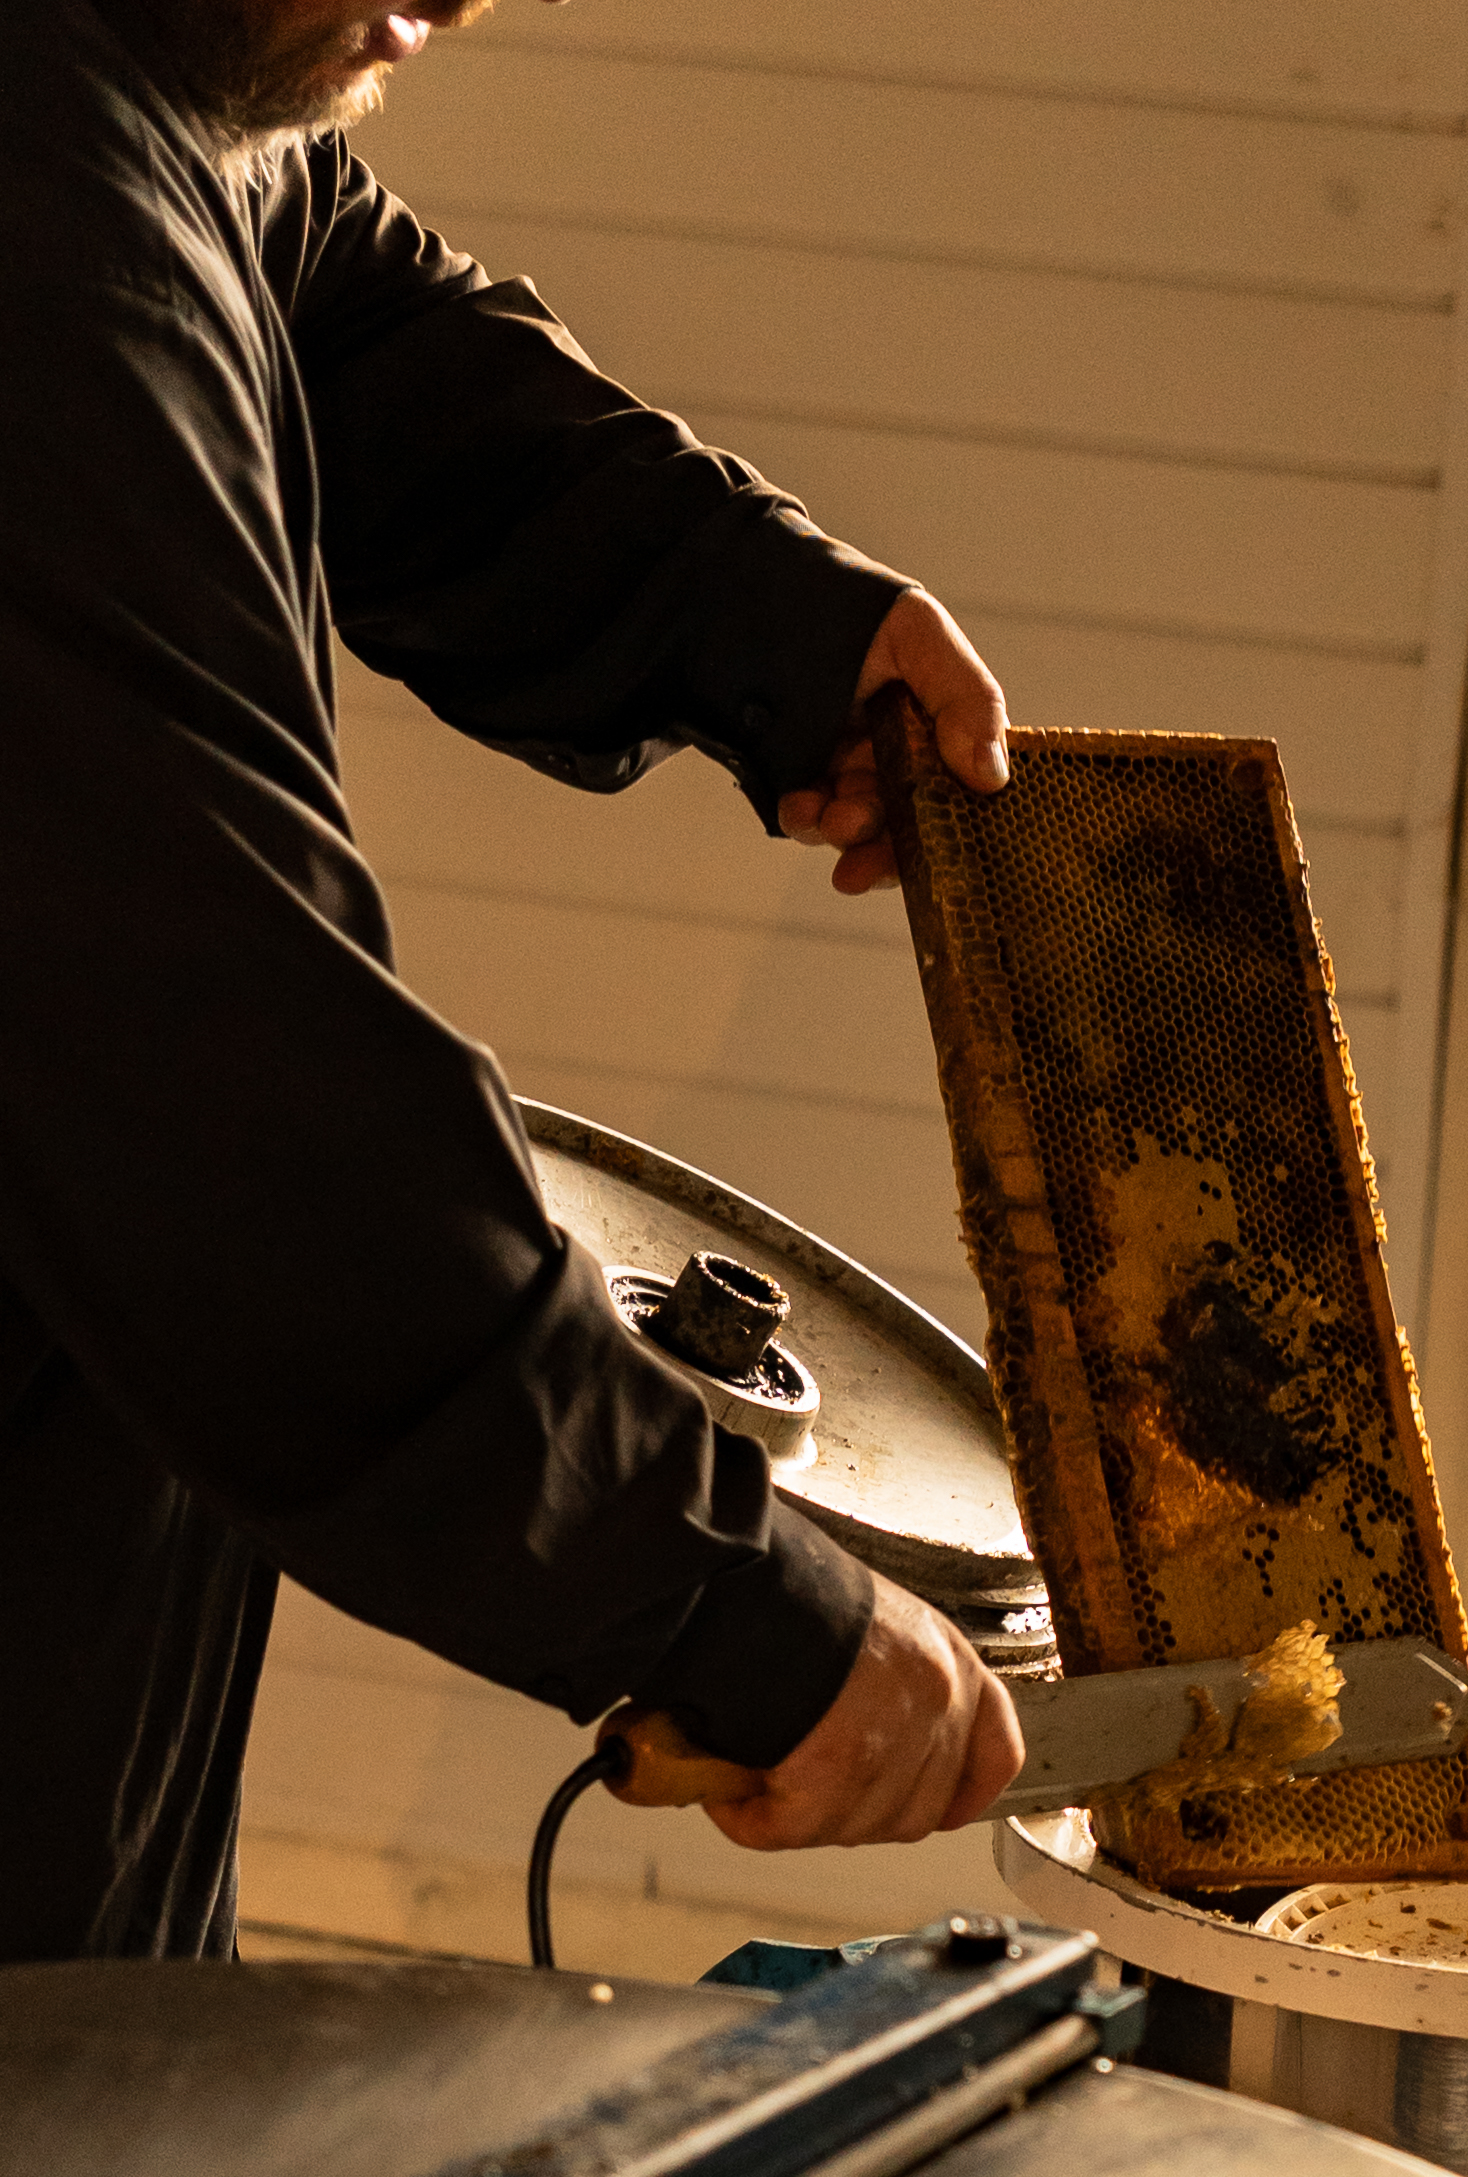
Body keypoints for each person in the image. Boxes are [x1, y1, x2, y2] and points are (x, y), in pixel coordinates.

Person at [0, 0, 1026, 1960]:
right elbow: (229, 1113)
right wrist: (725, 1603)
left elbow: (311, 280)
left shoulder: (117, 77)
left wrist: (749, 613)